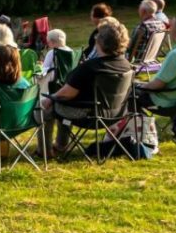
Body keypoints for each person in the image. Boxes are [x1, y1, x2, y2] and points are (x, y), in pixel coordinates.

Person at [43, 20, 133, 155]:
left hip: (89, 115)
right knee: (62, 104)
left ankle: (45, 150)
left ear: (100, 43)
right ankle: (60, 145)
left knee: (49, 107)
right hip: (116, 114)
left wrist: (51, 97)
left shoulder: (90, 67)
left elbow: (67, 93)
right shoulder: (127, 65)